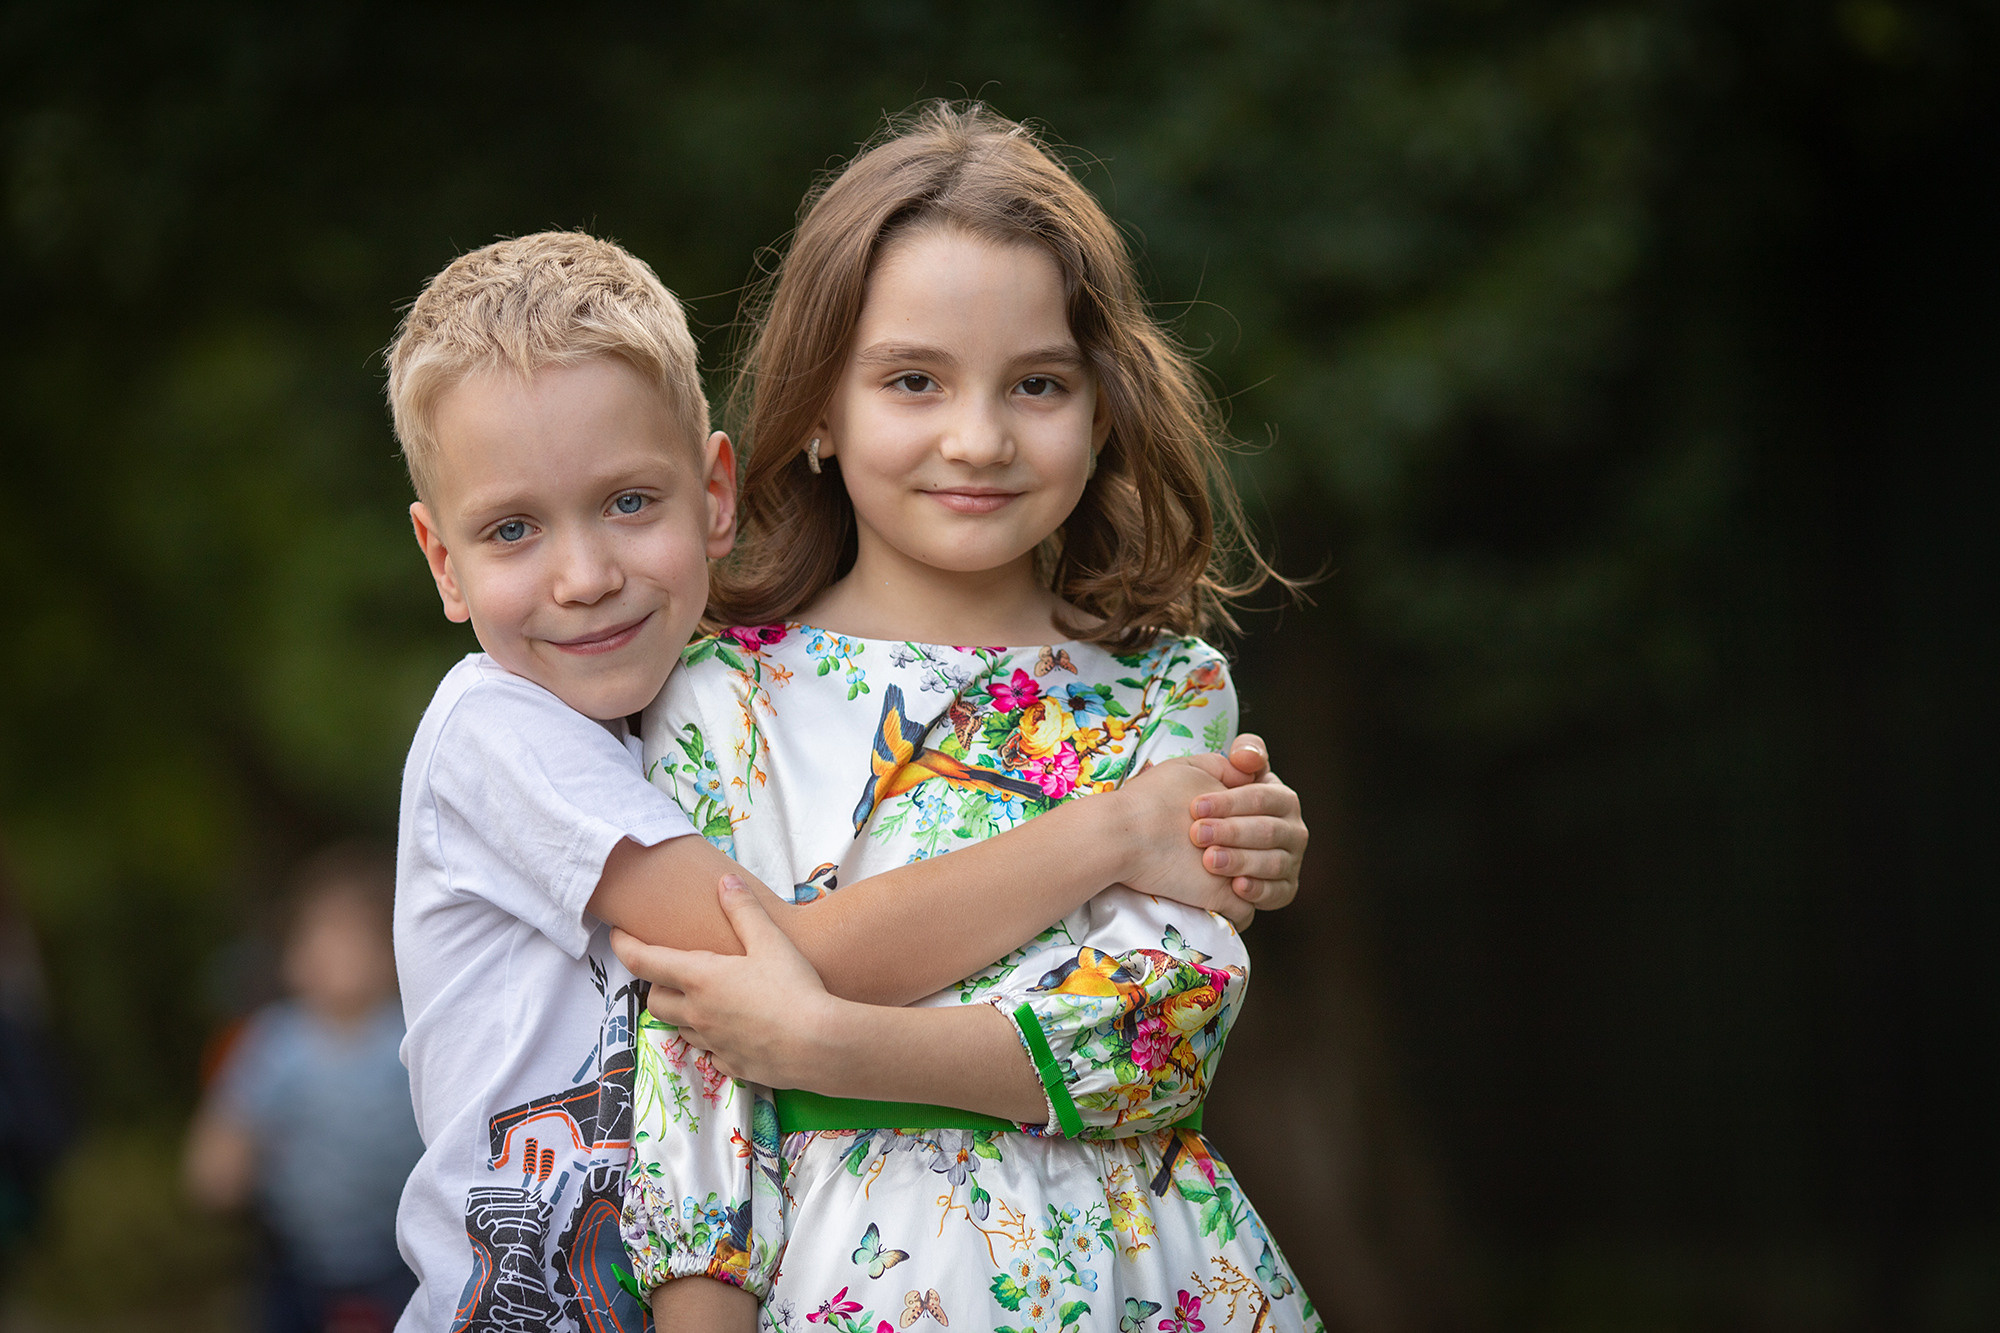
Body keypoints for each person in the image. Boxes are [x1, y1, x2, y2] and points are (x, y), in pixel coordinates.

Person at [384, 231, 1306, 1333]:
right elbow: (756, 962)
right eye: (514, 528)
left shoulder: (1166, 689)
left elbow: (1161, 1030)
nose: (585, 577)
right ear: (442, 558)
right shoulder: (539, 721)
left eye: (630, 502)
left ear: (711, 496)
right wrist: (1111, 835)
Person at [614, 103, 1321, 1333]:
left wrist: (827, 1048)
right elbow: (690, 1070)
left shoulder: (1167, 695)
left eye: (1036, 383)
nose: (978, 437)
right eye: (912, 380)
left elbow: (1153, 1033)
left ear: (1101, 409)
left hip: (1140, 1284)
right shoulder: (718, 699)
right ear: (820, 408)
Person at [185, 844, 423, 1333]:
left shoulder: (409, 1039)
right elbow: (223, 1145)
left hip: (400, 1255)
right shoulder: (274, 1043)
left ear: (390, 952)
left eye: (353, 936)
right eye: (320, 935)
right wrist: (223, 1164)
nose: (336, 953)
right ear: (294, 956)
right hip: (296, 1260)